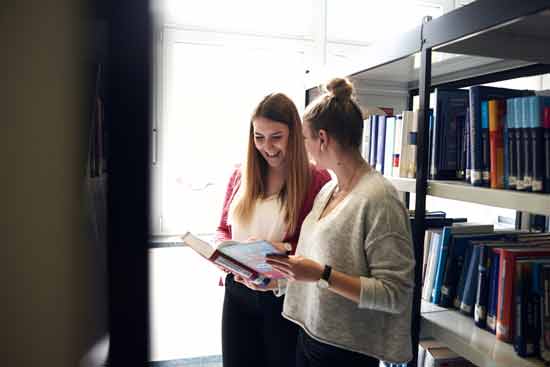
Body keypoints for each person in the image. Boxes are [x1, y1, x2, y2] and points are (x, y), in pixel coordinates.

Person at [266, 78, 416, 367]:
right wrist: (279, 277)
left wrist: (322, 274)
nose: (303, 147)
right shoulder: (329, 191)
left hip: (346, 352)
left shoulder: (380, 199)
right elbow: (318, 265)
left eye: (305, 139)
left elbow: (394, 294)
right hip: (312, 335)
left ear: (322, 139)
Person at [215, 92, 331, 367]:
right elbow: (221, 230)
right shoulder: (240, 174)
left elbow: (319, 244)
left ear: (295, 133)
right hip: (238, 290)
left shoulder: (316, 179)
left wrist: (285, 248)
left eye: (276, 136)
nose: (267, 147)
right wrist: (225, 253)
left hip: (282, 298)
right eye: (259, 137)